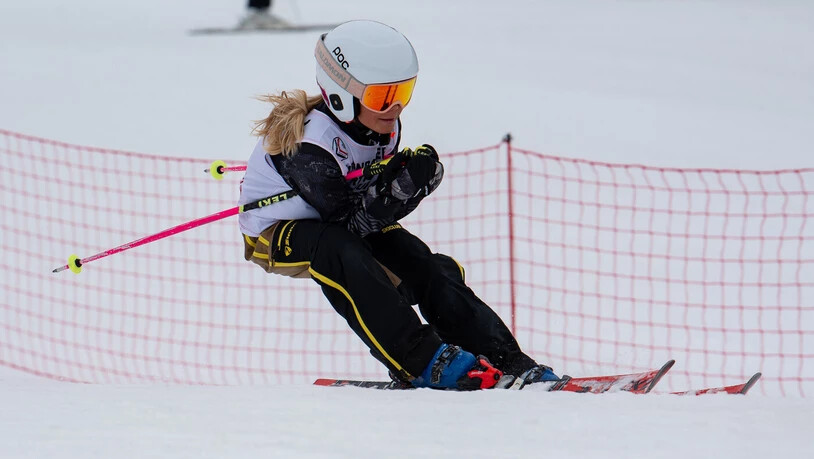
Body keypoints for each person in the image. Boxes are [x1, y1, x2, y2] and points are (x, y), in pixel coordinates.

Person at [238, 20, 558, 390]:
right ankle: (420, 360)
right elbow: (350, 229)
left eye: (403, 91)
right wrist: (396, 193)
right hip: (274, 236)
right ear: (341, 94)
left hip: (342, 222)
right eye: (380, 96)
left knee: (422, 263)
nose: (394, 107)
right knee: (339, 251)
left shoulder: (382, 127)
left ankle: (504, 357)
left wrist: (410, 183)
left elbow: (370, 215)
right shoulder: (311, 145)